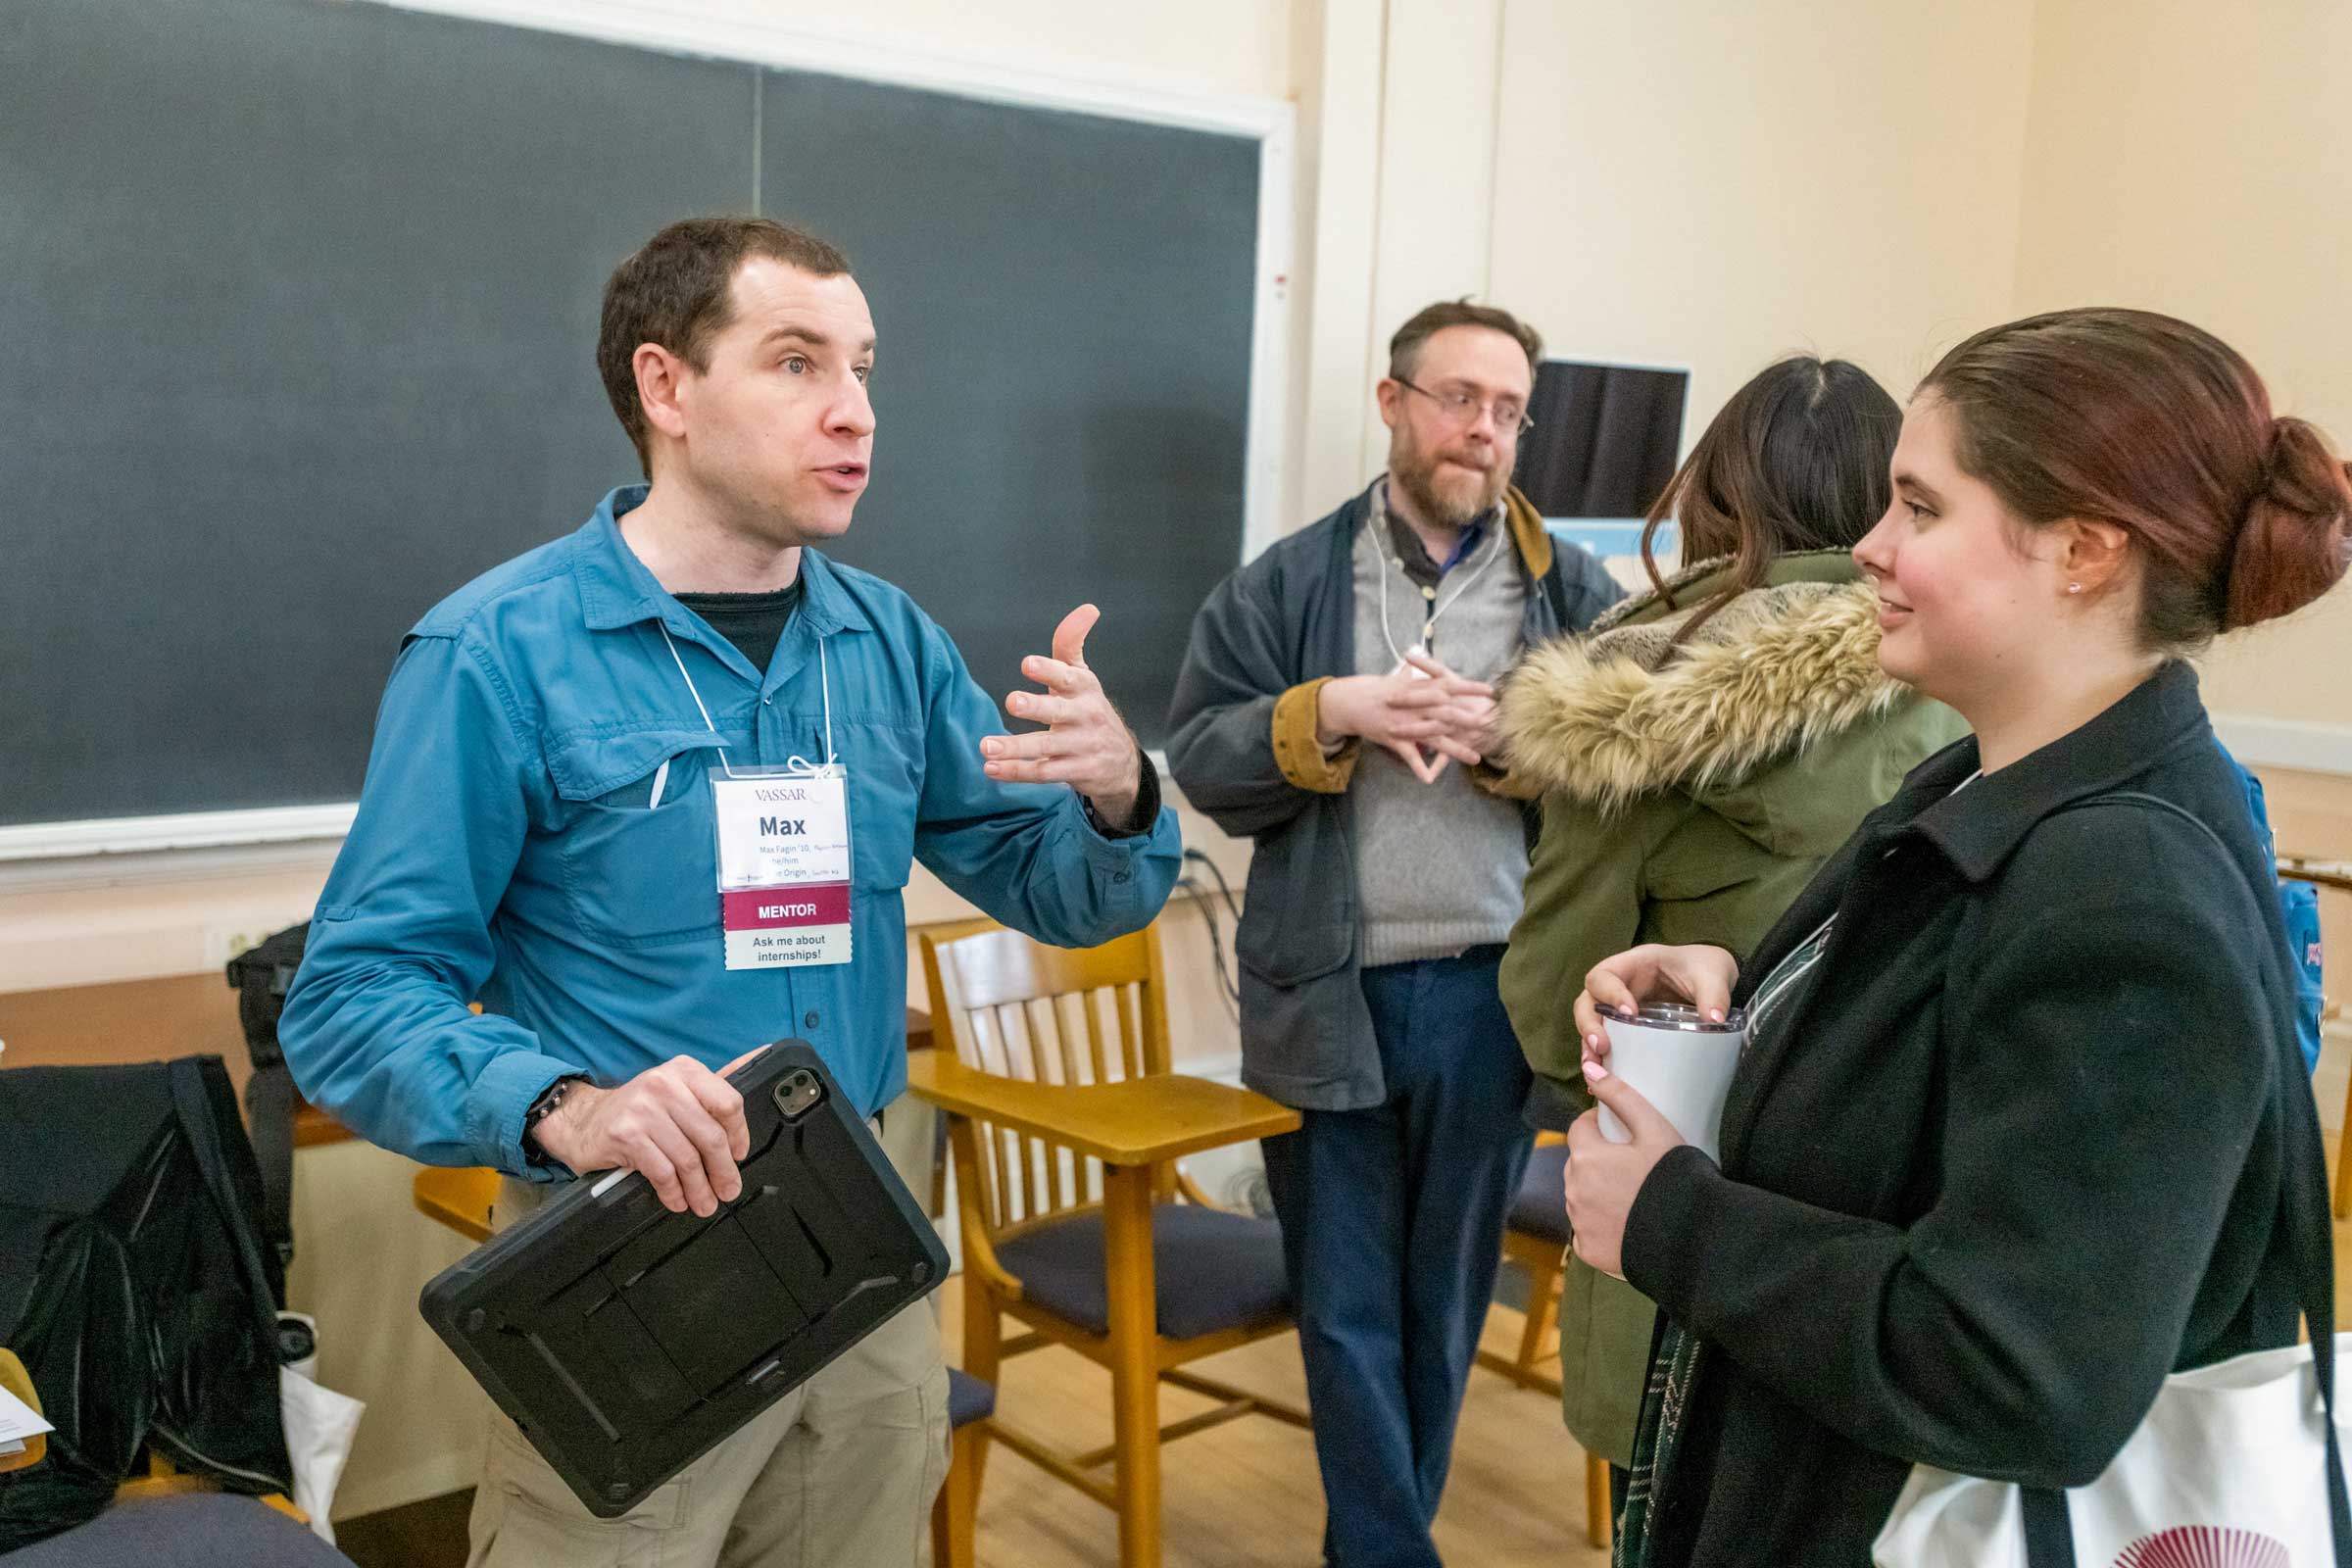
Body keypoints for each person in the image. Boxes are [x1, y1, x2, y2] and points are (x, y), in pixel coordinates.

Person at [280, 215, 1182, 1567]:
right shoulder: (497, 654)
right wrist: (568, 1109)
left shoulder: (887, 641)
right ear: (666, 389)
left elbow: (1056, 888)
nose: (856, 413)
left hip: (864, 1248)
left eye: (866, 368)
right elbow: (348, 1001)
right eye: (798, 363)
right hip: (633, 1264)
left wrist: (1120, 799)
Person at [1559, 307, 2350, 1567]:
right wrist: (1747, 1004)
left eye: (1921, 509)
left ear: (2087, 550)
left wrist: (1669, 1219)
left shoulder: (2126, 887)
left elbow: (2019, 1368)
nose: (1868, 548)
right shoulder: (1991, 788)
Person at [1167, 299, 1622, 1567]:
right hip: (1330, 990)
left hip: (1494, 997)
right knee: (1344, 1298)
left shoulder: (1571, 593)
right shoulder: (1290, 580)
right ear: (1392, 402)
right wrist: (1337, 709)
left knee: (1444, 1300)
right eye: (1460, 397)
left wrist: (1517, 744)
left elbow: (1628, 779)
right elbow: (1204, 752)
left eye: (1509, 410)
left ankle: (1377, 1545)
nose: (1484, 429)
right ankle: (1385, 1550)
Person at [1492, 356, 1966, 1511]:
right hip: (1902, 1234)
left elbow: (1563, 1011)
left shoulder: (1632, 709)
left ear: (1717, 491)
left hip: (1687, 1217)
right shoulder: (1972, 674)